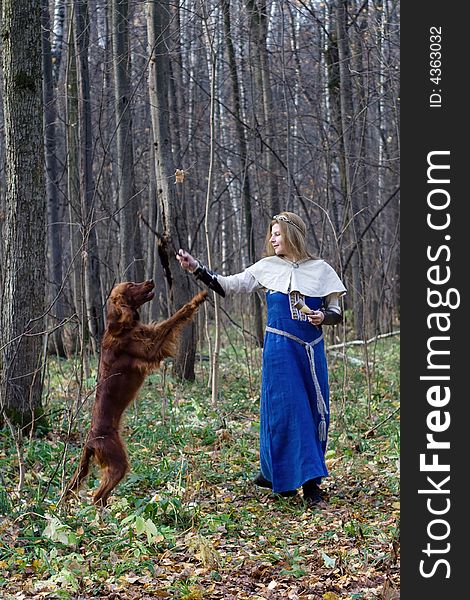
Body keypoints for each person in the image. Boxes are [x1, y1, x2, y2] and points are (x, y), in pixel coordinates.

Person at [176, 211, 346, 507]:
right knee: (287, 413)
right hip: (280, 351)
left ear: (293, 234)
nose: (272, 238)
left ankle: (287, 477)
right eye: (271, 233)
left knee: (315, 413)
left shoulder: (320, 270)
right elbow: (228, 284)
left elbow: (336, 311)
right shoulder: (267, 268)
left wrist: (323, 317)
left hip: (310, 350)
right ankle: (307, 485)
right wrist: (197, 269)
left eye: (277, 233)